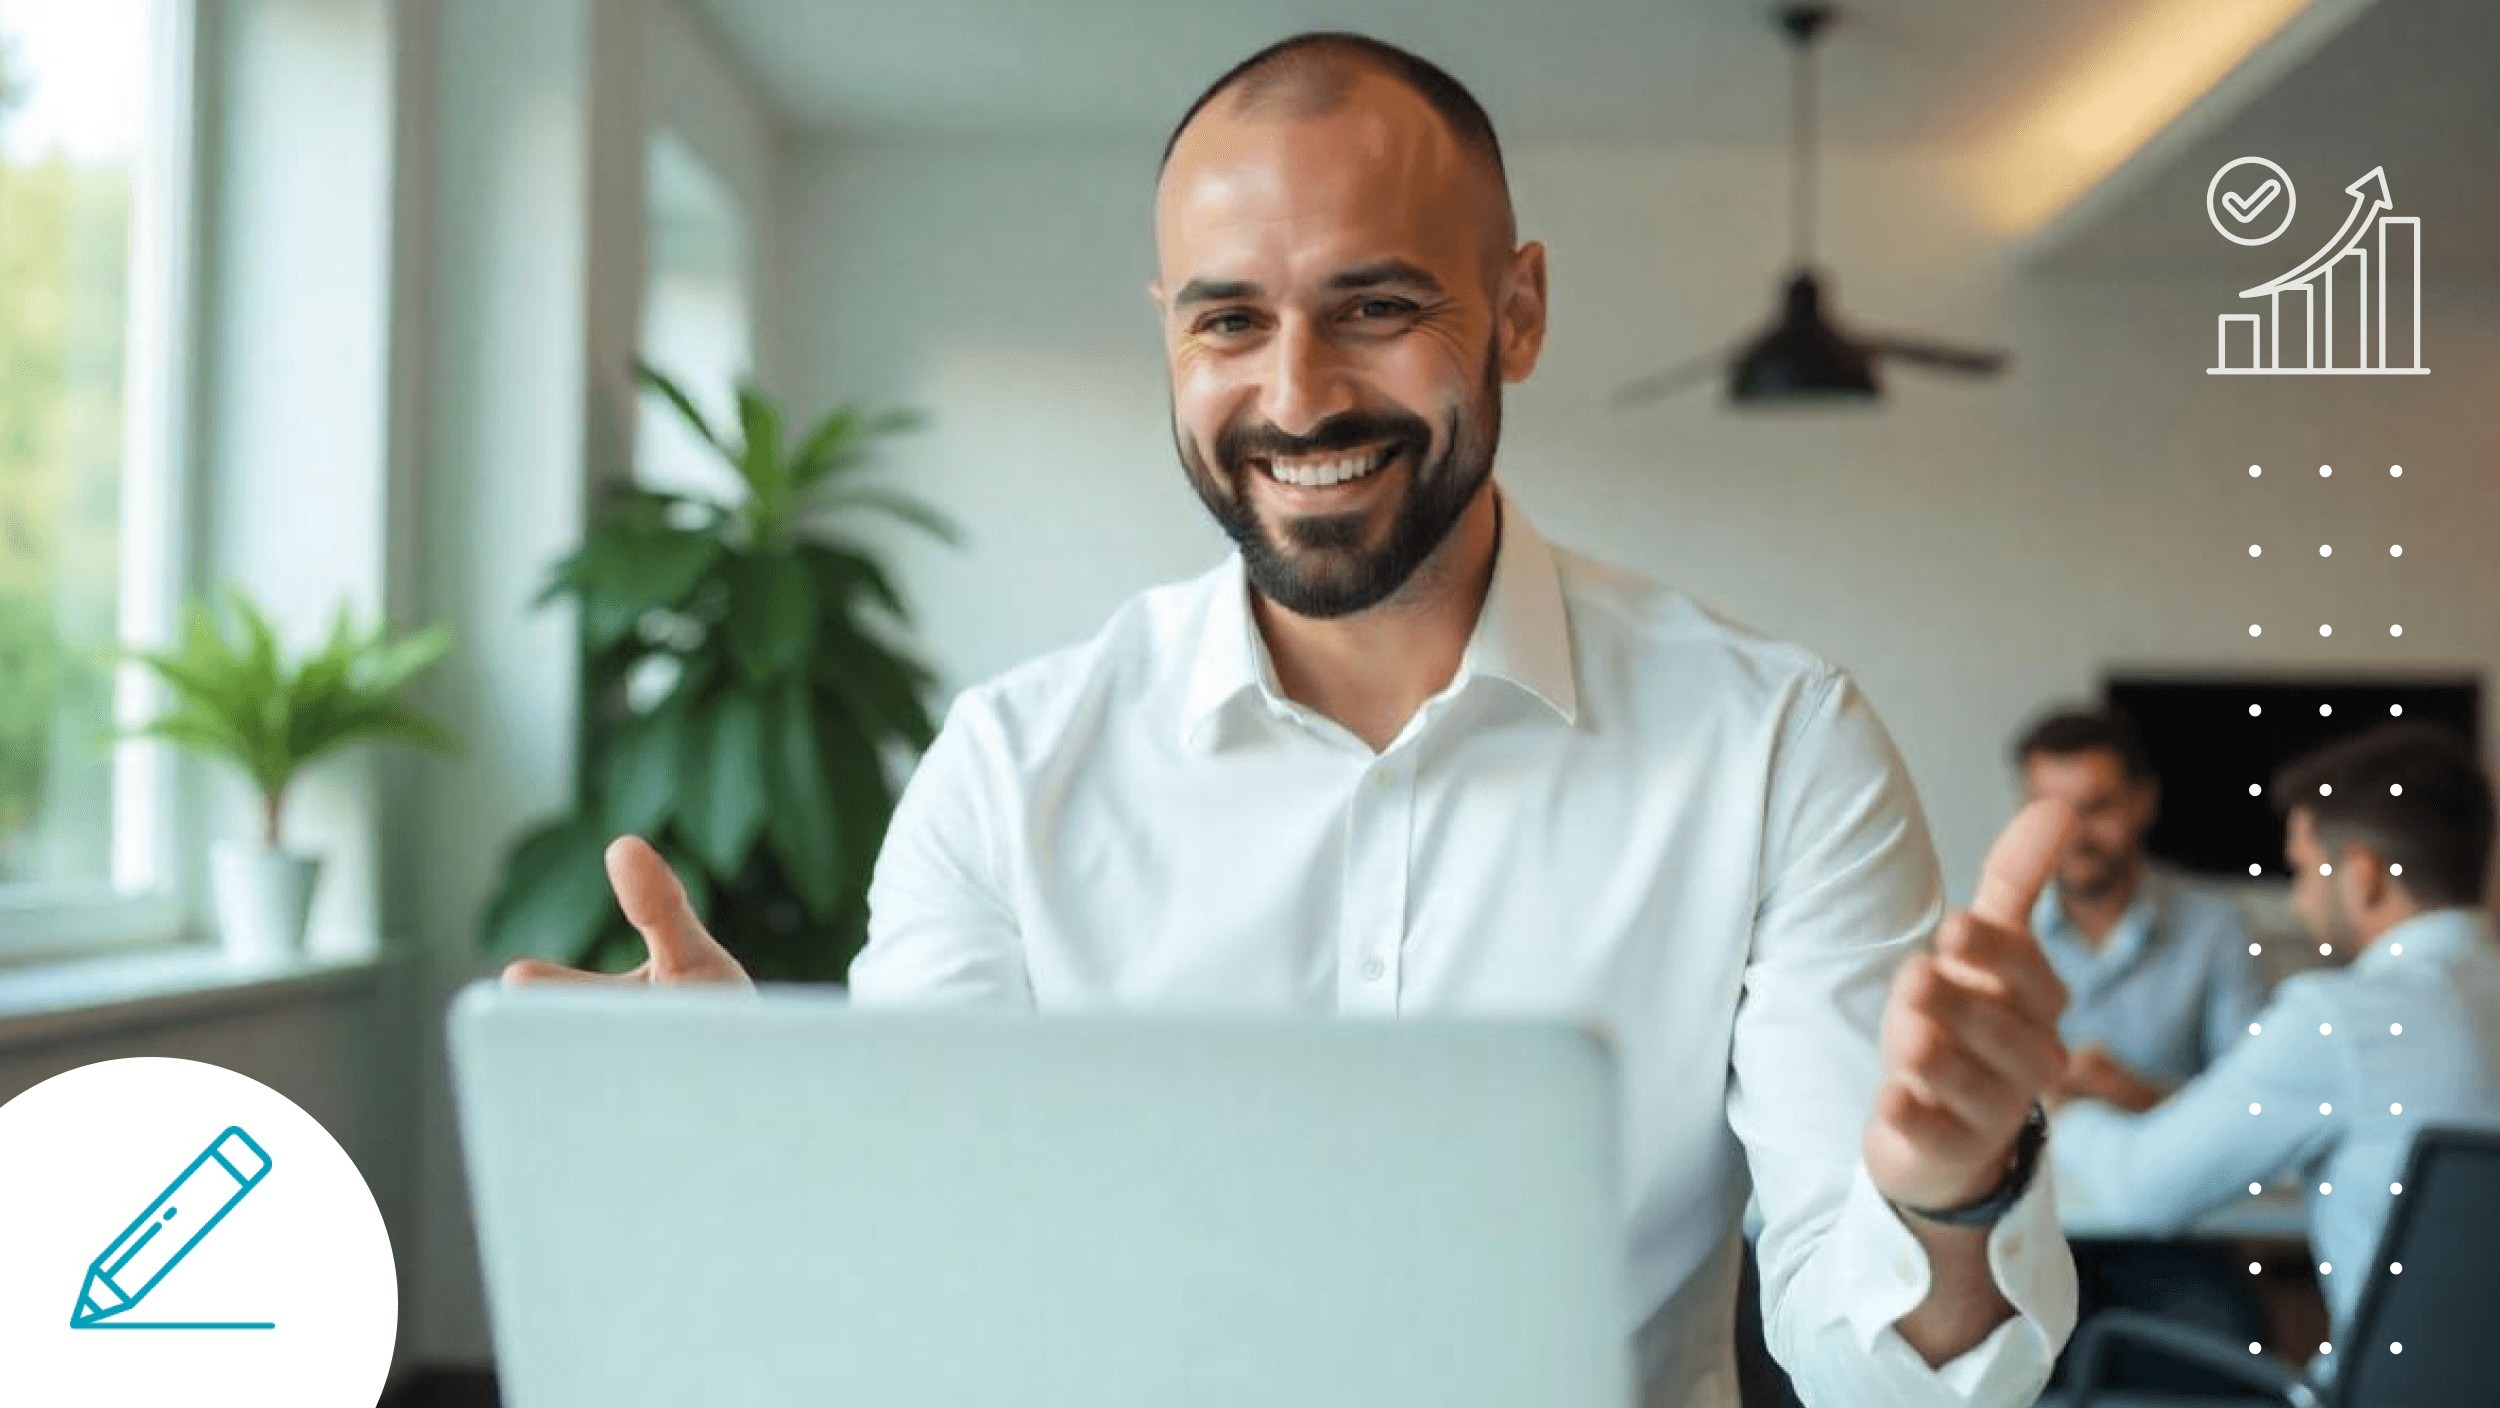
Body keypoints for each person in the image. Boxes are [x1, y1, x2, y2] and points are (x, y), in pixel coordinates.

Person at [506, 32, 2081, 1407]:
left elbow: (1891, 1379)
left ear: (1518, 312)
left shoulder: (1777, 749)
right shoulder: (1005, 777)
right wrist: (732, 1152)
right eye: (1227, 321)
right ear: (1170, 334)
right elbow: (930, 1297)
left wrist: (1951, 1204)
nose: (1300, 394)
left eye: (1376, 303)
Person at [2052, 722, 2500, 1342]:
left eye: (2306, 870)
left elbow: (2142, 1188)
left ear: (2364, 876)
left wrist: (2059, 1111)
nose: (2299, 904)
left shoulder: (2338, 1018)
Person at [2012, 708, 2268, 1112]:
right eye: (2051, 815)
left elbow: (2253, 1096)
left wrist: (2142, 1097)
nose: (2073, 834)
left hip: (2165, 1165)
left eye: (2095, 807)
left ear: (2143, 802)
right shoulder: (1996, 929)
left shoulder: (2216, 926)